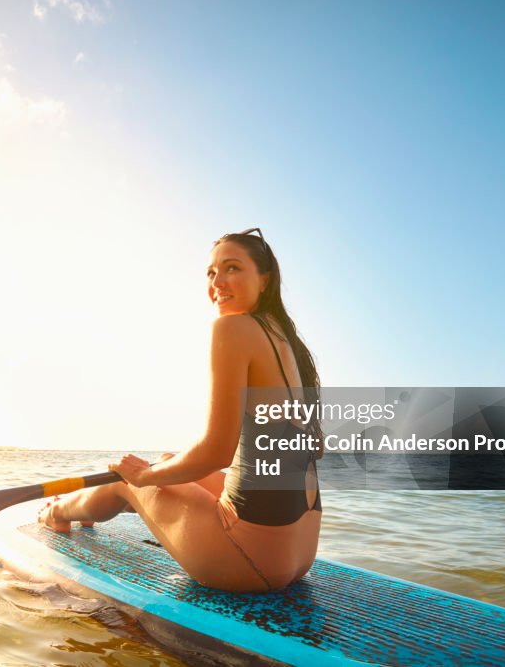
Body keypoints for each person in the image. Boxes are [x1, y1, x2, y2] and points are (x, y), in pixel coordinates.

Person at [37, 228, 323, 592]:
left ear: (264, 280)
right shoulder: (286, 341)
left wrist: (143, 478)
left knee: (129, 479)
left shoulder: (233, 327)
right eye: (210, 272)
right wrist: (157, 471)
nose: (217, 281)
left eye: (232, 268)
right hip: (299, 554)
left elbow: (214, 452)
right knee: (167, 462)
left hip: (248, 562)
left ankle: (57, 513)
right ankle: (112, 507)